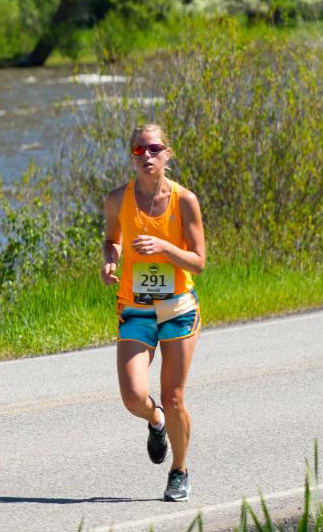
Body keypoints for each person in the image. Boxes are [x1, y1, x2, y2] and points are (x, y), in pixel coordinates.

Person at [102, 124, 206, 502]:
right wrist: (110, 261)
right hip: (135, 307)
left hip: (177, 307)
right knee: (133, 396)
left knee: (174, 394)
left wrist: (163, 245)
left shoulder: (184, 201)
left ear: (167, 153)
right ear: (131, 155)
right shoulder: (117, 200)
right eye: (138, 150)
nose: (146, 156)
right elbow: (111, 239)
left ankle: (179, 470)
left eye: (153, 149)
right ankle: (155, 420)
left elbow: (198, 262)